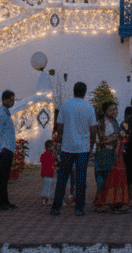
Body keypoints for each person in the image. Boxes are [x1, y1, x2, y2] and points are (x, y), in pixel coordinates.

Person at [51, 81, 98, 216]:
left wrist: (62, 138)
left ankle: (56, 207)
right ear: (84, 92)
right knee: (81, 179)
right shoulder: (89, 108)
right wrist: (90, 146)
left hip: (67, 147)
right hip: (83, 148)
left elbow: (59, 127)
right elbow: (93, 130)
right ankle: (79, 207)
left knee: (62, 178)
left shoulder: (65, 106)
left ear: (73, 91)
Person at [94, 112, 130, 213]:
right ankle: (108, 202)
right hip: (113, 163)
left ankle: (118, 202)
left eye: (125, 130)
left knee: (118, 182)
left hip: (120, 165)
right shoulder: (115, 139)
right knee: (110, 182)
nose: (123, 132)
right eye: (122, 130)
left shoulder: (124, 141)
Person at [0, 88, 17, 210]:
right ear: (5, 100)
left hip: (7, 148)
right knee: (2, 176)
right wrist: (1, 148)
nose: (13, 102)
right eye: (11, 100)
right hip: (3, 149)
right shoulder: (0, 113)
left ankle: (5, 200)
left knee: (5, 176)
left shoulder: (5, 112)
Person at [93, 101, 120, 208]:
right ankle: (99, 202)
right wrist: (114, 137)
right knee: (101, 177)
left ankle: (109, 201)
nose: (114, 111)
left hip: (112, 153)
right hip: (103, 153)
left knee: (111, 177)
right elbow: (100, 139)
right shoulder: (100, 123)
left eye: (115, 109)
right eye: (111, 109)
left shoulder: (115, 122)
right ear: (105, 111)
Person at [39, 139, 57, 205]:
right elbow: (53, 164)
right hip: (50, 173)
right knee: (49, 186)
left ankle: (44, 198)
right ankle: (48, 199)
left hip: (44, 173)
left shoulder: (43, 154)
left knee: (45, 185)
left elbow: (41, 161)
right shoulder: (53, 155)